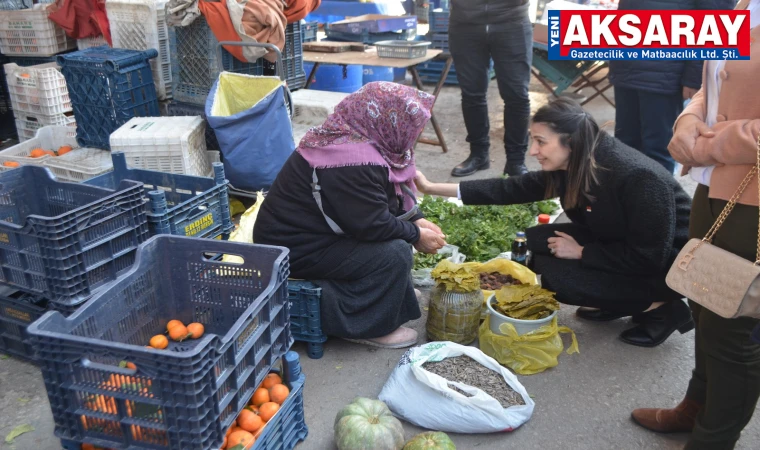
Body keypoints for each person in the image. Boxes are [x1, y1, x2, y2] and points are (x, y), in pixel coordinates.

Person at [415, 97, 693, 347]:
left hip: (668, 267)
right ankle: (618, 301)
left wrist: (583, 252)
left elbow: (649, 256)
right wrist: (429, 188)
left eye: (541, 141)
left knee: (561, 280)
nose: (533, 150)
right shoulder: (576, 162)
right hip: (621, 244)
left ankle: (661, 309)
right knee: (535, 242)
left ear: (570, 141)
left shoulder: (637, 177)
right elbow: (509, 189)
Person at [631, 1, 760, 447]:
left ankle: (714, 438)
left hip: (753, 196)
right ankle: (696, 405)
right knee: (704, 303)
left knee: (734, 324)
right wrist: (687, 118)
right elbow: (713, 87)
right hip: (714, 185)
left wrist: (707, 145)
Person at [253, 82, 446, 349]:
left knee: (399, 241)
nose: (415, 133)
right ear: (386, 119)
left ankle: (388, 296)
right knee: (393, 253)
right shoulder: (352, 159)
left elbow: (386, 193)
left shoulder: (365, 138)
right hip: (292, 246)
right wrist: (415, 235)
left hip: (320, 230)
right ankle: (371, 326)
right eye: (411, 126)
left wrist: (415, 218)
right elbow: (371, 225)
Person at [609, 0, 734, 173]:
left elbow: (716, 20)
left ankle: (656, 199)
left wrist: (693, 77)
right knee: (624, 145)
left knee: (657, 150)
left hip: (665, 72)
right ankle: (626, 198)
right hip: (626, 65)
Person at [447, 0, 533, 177]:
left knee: (517, 95)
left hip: (512, 20)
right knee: (472, 93)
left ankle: (516, 161)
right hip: (465, 23)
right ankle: (479, 155)